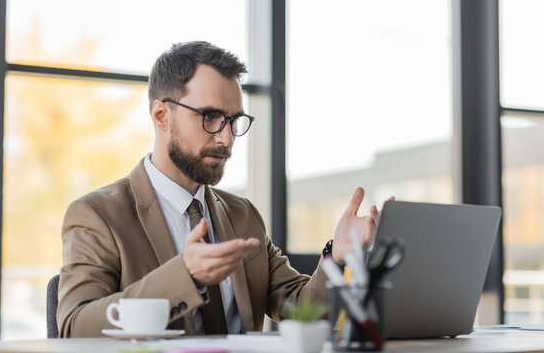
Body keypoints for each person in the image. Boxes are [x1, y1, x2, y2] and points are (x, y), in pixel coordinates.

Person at [57, 41, 383, 337]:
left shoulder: (242, 214)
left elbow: (303, 310)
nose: (226, 138)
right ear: (161, 115)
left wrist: (337, 258)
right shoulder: (97, 216)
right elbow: (75, 326)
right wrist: (184, 275)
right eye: (211, 117)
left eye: (233, 120)